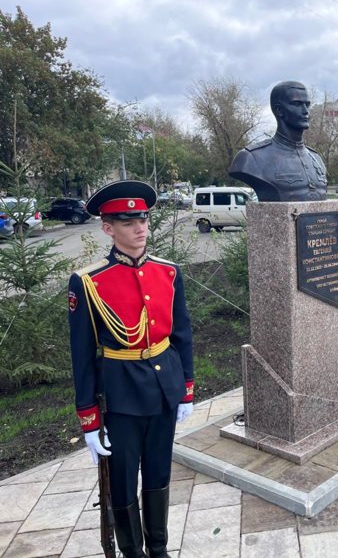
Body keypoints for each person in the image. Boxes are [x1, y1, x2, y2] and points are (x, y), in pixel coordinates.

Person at [69, 180, 194, 557]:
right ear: (108, 227)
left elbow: (182, 334)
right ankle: (132, 552)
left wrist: (186, 387)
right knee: (123, 483)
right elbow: (82, 355)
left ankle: (159, 549)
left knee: (158, 474)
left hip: (164, 390)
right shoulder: (89, 282)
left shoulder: (168, 272)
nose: (140, 228)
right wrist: (89, 419)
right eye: (127, 222)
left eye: (142, 218)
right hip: (121, 397)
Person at [229, 81, 327, 201]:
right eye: (297, 104)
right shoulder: (251, 158)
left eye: (307, 105)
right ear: (279, 110)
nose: (306, 111)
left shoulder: (316, 158)